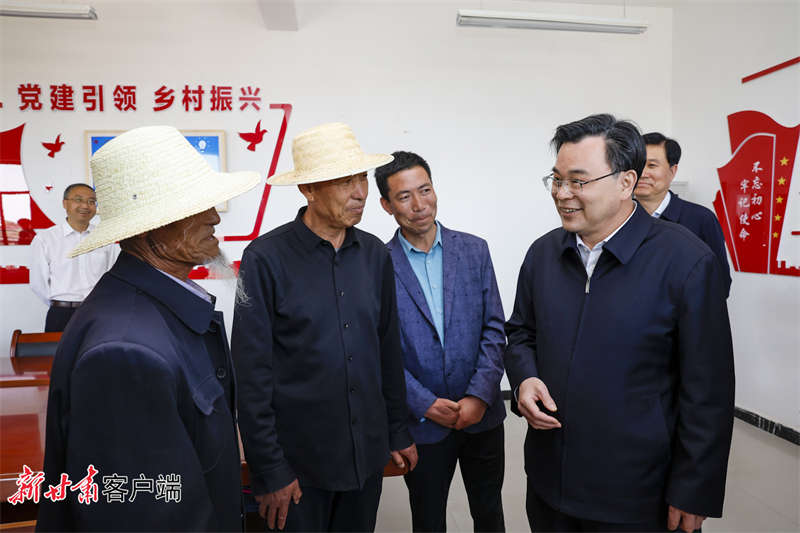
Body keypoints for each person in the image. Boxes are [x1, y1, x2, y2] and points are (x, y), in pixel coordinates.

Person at [504, 114, 735, 533]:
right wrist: (524, 378)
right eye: (556, 180)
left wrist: (694, 487)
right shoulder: (543, 254)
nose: (562, 194)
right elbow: (521, 332)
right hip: (549, 481)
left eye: (578, 181)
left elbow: (709, 390)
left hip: (638, 492)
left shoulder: (686, 261)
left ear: (626, 182)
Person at [37, 126, 260, 532]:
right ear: (144, 227)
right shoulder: (124, 350)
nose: (214, 216)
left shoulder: (153, 310)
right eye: (195, 205)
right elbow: (147, 515)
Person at [231, 123, 418, 533]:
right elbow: (251, 374)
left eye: (362, 178)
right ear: (308, 189)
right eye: (344, 181)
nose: (360, 192)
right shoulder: (265, 259)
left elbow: (388, 349)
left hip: (365, 455)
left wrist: (397, 429)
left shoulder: (374, 254)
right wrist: (269, 468)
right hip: (298, 465)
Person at [374, 151, 506, 533]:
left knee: (489, 514)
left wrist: (479, 396)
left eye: (425, 190)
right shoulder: (376, 264)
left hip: (482, 416)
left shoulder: (475, 250)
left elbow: (494, 328)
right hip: (423, 423)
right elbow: (378, 350)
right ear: (386, 205)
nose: (419, 205)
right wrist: (424, 403)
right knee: (428, 519)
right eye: (404, 197)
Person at [635, 132, 732, 295]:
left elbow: (719, 282)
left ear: (672, 172)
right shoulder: (616, 218)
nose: (642, 173)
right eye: (637, 164)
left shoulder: (701, 219)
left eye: (652, 165)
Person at [29, 183, 118, 331]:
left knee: (99, 347)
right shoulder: (45, 239)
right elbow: (38, 284)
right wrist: (61, 303)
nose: (85, 206)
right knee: (58, 347)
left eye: (91, 201)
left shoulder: (104, 237)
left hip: (98, 310)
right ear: (65, 203)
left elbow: (111, 277)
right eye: (79, 200)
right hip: (62, 313)